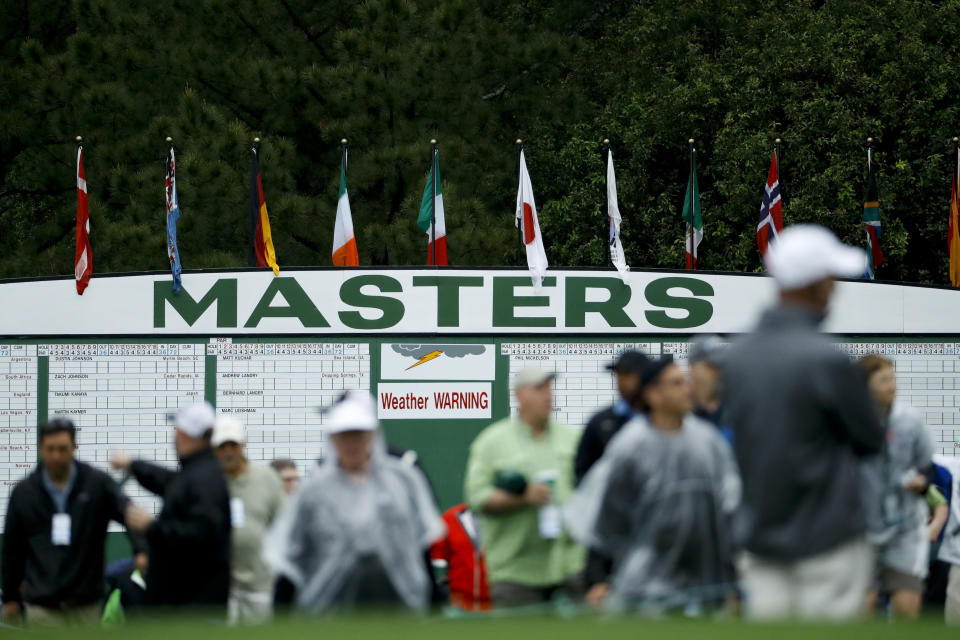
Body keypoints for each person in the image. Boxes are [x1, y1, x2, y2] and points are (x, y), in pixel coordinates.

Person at [722, 225, 885, 620]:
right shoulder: (827, 361)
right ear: (815, 284)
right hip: (828, 538)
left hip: (759, 535)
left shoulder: (739, 358)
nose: (835, 288)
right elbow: (870, 440)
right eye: (831, 279)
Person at [565, 356, 741, 612]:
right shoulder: (630, 447)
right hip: (643, 585)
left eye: (685, 382)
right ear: (653, 395)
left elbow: (723, 513)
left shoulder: (707, 442)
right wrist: (599, 578)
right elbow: (608, 522)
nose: (687, 389)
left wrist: (729, 581)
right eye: (676, 383)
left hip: (704, 582)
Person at [263, 391, 444, 613]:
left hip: (396, 607)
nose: (352, 443)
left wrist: (432, 604)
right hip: (329, 611)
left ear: (372, 435)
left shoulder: (402, 483)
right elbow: (294, 555)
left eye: (358, 434)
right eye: (344, 435)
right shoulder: (313, 492)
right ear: (331, 439)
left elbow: (418, 545)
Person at [1, 417, 142, 627]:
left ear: (74, 447)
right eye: (50, 449)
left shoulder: (96, 485)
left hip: (86, 604)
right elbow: (12, 549)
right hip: (41, 606)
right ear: (40, 448)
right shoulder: (24, 493)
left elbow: (130, 514)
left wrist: (141, 550)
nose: (56, 456)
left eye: (63, 449)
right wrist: (10, 597)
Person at [464, 367, 585, 607]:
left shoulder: (573, 439)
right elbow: (477, 498)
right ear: (519, 395)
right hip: (516, 571)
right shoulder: (493, 442)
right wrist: (522, 498)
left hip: (570, 565)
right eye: (539, 389)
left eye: (549, 388)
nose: (548, 395)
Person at [110, 401, 231, 611]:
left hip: (193, 604)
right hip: (193, 598)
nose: (174, 437)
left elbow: (200, 534)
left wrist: (151, 526)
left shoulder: (202, 478)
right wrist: (133, 465)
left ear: (186, 435)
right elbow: (168, 481)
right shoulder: (199, 472)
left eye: (178, 431)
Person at [857, 354, 935, 618]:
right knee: (861, 607)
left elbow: (927, 466)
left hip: (904, 528)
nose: (892, 386)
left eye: (892, 379)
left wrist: (922, 483)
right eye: (883, 381)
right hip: (861, 528)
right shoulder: (850, 422)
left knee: (906, 605)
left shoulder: (910, 420)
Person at [212, 416, 285, 625]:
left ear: (243, 445)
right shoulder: (209, 483)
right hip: (223, 587)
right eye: (221, 446)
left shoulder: (267, 479)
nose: (227, 452)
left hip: (261, 584)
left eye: (232, 445)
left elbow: (283, 525)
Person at [574, 350, 649, 484]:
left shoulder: (662, 418)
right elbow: (582, 472)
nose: (621, 381)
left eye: (628, 374)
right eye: (618, 375)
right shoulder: (600, 422)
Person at [429, 504, 491, 611]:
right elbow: (437, 557)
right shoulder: (450, 517)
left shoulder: (512, 517)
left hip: (502, 600)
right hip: (460, 604)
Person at [687, 336, 732, 445]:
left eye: (722, 365)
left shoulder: (737, 409)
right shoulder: (679, 412)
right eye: (712, 366)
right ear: (692, 368)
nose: (718, 372)